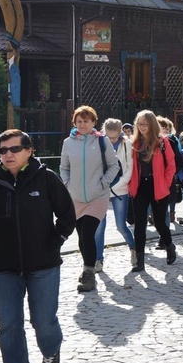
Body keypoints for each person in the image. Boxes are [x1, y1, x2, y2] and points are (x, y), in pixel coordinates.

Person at [0, 130, 75, 363]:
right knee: (9, 327)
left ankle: (51, 349)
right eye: (3, 150)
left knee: (44, 323)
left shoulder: (46, 179)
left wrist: (55, 241)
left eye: (14, 149)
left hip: (44, 266)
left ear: (29, 150)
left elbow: (67, 214)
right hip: (3, 269)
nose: (8, 154)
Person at [60, 105, 119, 292]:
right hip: (76, 197)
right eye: (79, 121)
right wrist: (68, 184)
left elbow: (114, 165)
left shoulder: (102, 142)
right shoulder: (68, 143)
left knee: (87, 232)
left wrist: (104, 183)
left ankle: (89, 274)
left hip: (97, 196)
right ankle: (88, 267)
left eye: (86, 121)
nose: (82, 124)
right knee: (81, 237)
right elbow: (63, 167)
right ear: (74, 123)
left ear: (93, 122)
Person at [128, 110, 177, 271]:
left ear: (152, 124)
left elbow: (171, 165)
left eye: (145, 124)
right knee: (139, 224)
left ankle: (169, 245)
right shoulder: (134, 143)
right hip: (140, 187)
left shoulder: (162, 142)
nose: (142, 127)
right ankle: (140, 261)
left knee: (159, 223)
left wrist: (165, 182)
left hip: (157, 186)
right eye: (139, 124)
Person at [94, 118, 136, 270]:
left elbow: (129, 169)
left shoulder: (127, 145)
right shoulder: (99, 143)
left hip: (120, 189)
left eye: (115, 137)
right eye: (109, 137)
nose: (112, 140)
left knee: (120, 225)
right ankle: (98, 259)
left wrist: (117, 184)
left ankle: (133, 248)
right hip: (101, 190)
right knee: (99, 226)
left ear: (120, 133)